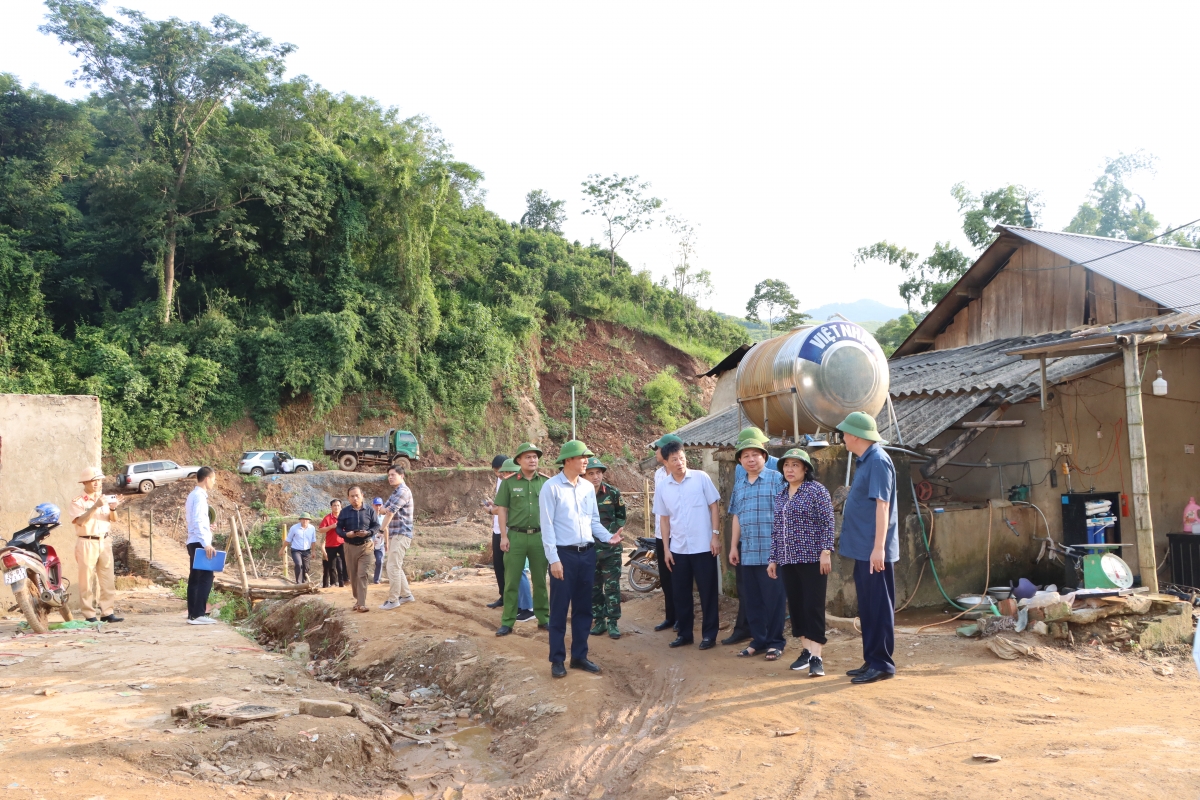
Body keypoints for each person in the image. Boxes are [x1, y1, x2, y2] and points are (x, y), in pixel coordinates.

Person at [540, 440, 621, 678]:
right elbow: (547, 527)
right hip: (563, 555)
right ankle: (557, 659)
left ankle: (579, 656)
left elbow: (593, 521)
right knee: (559, 609)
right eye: (582, 457)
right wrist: (553, 559)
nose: (586, 461)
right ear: (567, 461)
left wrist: (608, 538)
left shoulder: (587, 488)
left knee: (584, 608)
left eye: (587, 457)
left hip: (587, 554)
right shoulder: (551, 488)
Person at [837, 411, 899, 684]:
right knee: (868, 606)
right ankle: (871, 659)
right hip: (863, 548)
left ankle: (883, 664)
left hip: (873, 550)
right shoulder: (866, 461)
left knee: (878, 606)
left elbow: (882, 506)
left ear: (855, 435)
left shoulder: (877, 462)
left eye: (844, 433)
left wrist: (878, 548)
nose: (842, 437)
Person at [768, 448, 835, 677]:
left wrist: (826, 551)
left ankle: (817, 656)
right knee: (796, 606)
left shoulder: (816, 491)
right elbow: (777, 530)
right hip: (787, 559)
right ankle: (805, 651)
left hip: (812, 558)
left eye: (795, 465)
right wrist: (773, 559)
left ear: (805, 469)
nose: (790, 469)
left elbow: (828, 522)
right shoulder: (781, 495)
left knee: (813, 606)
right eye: (787, 465)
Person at [654, 440, 721, 649]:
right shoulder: (663, 486)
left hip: (704, 546)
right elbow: (664, 519)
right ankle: (685, 634)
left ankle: (709, 635)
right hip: (678, 549)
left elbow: (714, 507)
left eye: (681, 458)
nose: (679, 462)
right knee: (681, 593)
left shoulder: (701, 478)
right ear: (666, 462)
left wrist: (715, 536)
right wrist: (666, 549)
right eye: (674, 459)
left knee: (707, 592)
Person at [728, 435, 786, 660]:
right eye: (746, 456)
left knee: (774, 599)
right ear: (740, 461)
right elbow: (736, 517)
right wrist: (734, 546)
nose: (751, 460)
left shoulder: (777, 479)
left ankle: (775, 642)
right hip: (748, 550)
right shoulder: (740, 484)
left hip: (772, 552)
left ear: (764, 457)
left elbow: (785, 514)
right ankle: (759, 640)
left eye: (755, 455)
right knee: (751, 599)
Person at [494, 442, 550, 636]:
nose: (532, 460)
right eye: (528, 457)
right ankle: (508, 622)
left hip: (539, 537)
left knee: (540, 580)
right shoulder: (509, 483)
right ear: (518, 460)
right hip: (515, 537)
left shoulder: (545, 482)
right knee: (511, 581)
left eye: (535, 456)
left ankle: (544, 619)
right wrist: (503, 536)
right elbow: (502, 510)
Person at [69, 466, 123, 623]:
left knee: (107, 579)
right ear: (85, 482)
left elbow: (113, 519)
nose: (97, 484)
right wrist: (95, 506)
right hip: (87, 541)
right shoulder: (78, 502)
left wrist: (113, 508)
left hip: (104, 541)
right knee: (86, 580)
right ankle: (89, 614)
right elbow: (80, 521)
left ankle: (107, 611)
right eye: (93, 481)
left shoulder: (104, 498)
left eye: (99, 480)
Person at [485, 456, 534, 620]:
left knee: (518, 571)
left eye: (503, 473)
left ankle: (527, 608)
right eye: (500, 474)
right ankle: (517, 604)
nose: (501, 476)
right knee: (508, 570)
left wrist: (492, 511)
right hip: (507, 533)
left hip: (517, 534)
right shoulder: (508, 484)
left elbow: (506, 510)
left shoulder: (522, 487)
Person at [584, 456, 626, 639]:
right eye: (591, 473)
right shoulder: (580, 495)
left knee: (611, 587)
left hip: (610, 550)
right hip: (588, 549)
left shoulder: (612, 493)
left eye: (598, 473)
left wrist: (613, 535)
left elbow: (621, 517)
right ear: (584, 475)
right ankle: (599, 621)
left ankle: (613, 623)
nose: (595, 477)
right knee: (593, 588)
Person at [649, 434, 683, 633]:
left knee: (678, 578)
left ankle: (682, 617)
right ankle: (670, 617)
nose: (655, 452)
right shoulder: (658, 474)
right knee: (666, 577)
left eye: (658, 448)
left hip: (676, 534)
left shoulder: (680, 473)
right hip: (660, 534)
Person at [337, 486, 381, 612]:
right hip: (349, 547)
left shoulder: (370, 511)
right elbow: (339, 529)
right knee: (353, 575)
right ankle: (358, 600)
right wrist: (346, 534)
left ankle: (361, 604)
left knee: (362, 574)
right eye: (352, 496)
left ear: (362, 495)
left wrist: (368, 533)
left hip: (366, 546)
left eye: (357, 495)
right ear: (348, 498)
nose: (355, 498)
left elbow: (376, 525)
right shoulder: (344, 512)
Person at [185, 467, 218, 625]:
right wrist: (206, 543)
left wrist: (208, 527)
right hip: (199, 542)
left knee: (195, 578)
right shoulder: (199, 497)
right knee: (206, 577)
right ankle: (198, 614)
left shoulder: (193, 495)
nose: (214, 482)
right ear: (207, 479)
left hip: (194, 540)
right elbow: (197, 521)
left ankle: (193, 614)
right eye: (213, 479)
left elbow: (197, 521)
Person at [380, 465, 417, 610]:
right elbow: (383, 509)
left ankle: (393, 600)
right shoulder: (396, 492)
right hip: (397, 533)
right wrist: (385, 509)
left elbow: (388, 512)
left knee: (392, 566)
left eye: (393, 475)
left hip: (401, 533)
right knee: (396, 565)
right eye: (389, 475)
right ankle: (406, 595)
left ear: (402, 476)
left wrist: (381, 529)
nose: (390, 477)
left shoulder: (402, 492)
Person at [319, 499, 347, 588]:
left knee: (345, 561)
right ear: (331, 507)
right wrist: (331, 526)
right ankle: (333, 583)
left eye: (338, 505)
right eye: (334, 505)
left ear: (341, 506)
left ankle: (345, 581)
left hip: (342, 543)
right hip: (330, 544)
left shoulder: (344, 517)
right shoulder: (327, 518)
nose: (336, 507)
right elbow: (320, 529)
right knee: (332, 565)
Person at [286, 513, 316, 584]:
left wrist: (313, 551)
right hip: (296, 550)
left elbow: (313, 540)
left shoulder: (312, 528)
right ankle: (298, 582)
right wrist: (282, 549)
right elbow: (288, 539)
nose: (305, 521)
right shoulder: (294, 528)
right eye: (303, 519)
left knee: (306, 567)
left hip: (307, 551)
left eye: (307, 519)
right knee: (298, 564)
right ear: (300, 520)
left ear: (309, 521)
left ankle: (304, 581)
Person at [371, 497, 386, 584]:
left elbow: (386, 530)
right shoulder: (369, 517)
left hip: (380, 544)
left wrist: (386, 543)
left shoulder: (384, 518)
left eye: (379, 505)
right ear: (373, 505)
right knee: (366, 562)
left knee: (380, 561)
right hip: (369, 543)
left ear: (382, 505)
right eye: (376, 505)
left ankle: (376, 580)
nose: (378, 507)